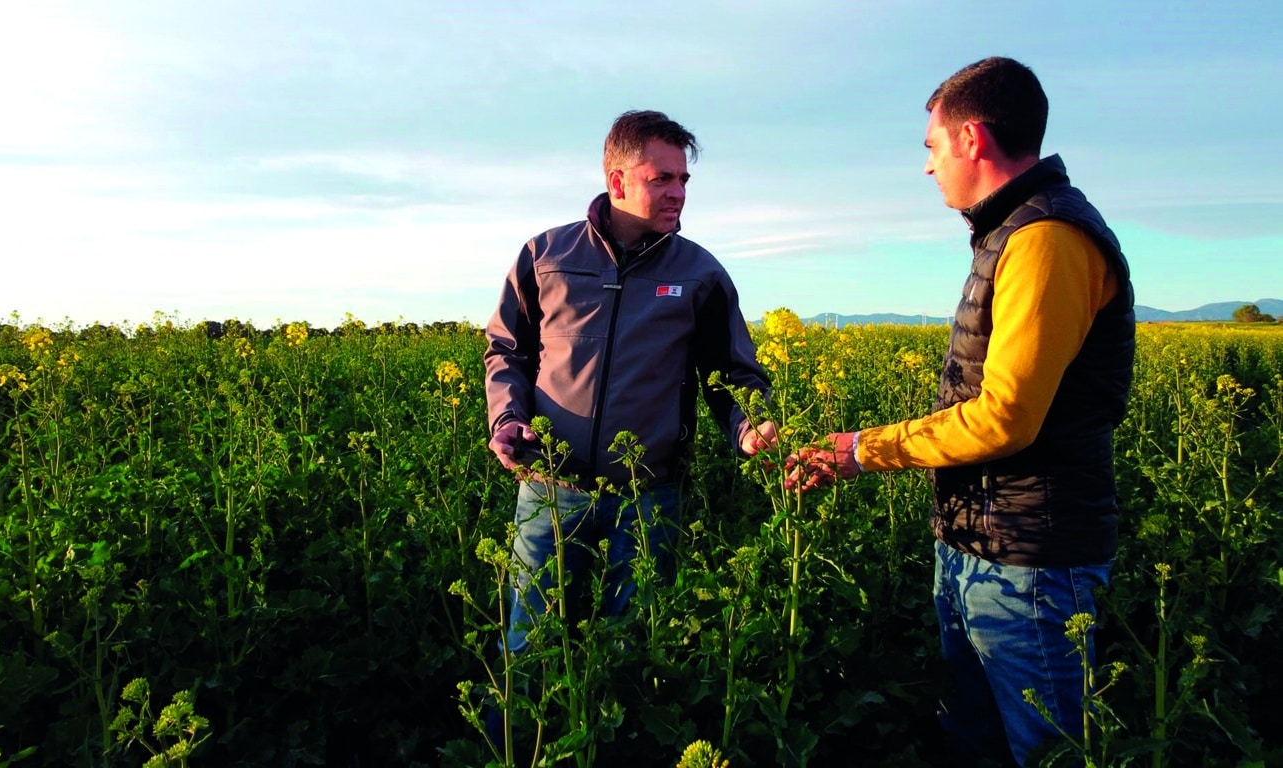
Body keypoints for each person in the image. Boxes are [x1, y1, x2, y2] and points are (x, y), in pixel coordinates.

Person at [786, 57, 1134, 766]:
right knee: (972, 740)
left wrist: (860, 450)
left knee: (1048, 750)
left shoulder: (1046, 239)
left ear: (970, 138)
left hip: (1030, 559)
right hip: (983, 545)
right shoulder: (1011, 234)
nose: (927, 166)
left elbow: (1006, 416)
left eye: (930, 146)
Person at [485, 109, 777, 658]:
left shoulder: (700, 273)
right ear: (617, 181)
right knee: (530, 648)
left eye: (683, 180)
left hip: (647, 497)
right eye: (661, 178)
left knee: (636, 651)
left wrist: (747, 427)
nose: (678, 193)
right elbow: (507, 349)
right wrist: (506, 419)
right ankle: (518, 744)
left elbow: (733, 376)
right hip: (550, 490)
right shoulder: (546, 256)